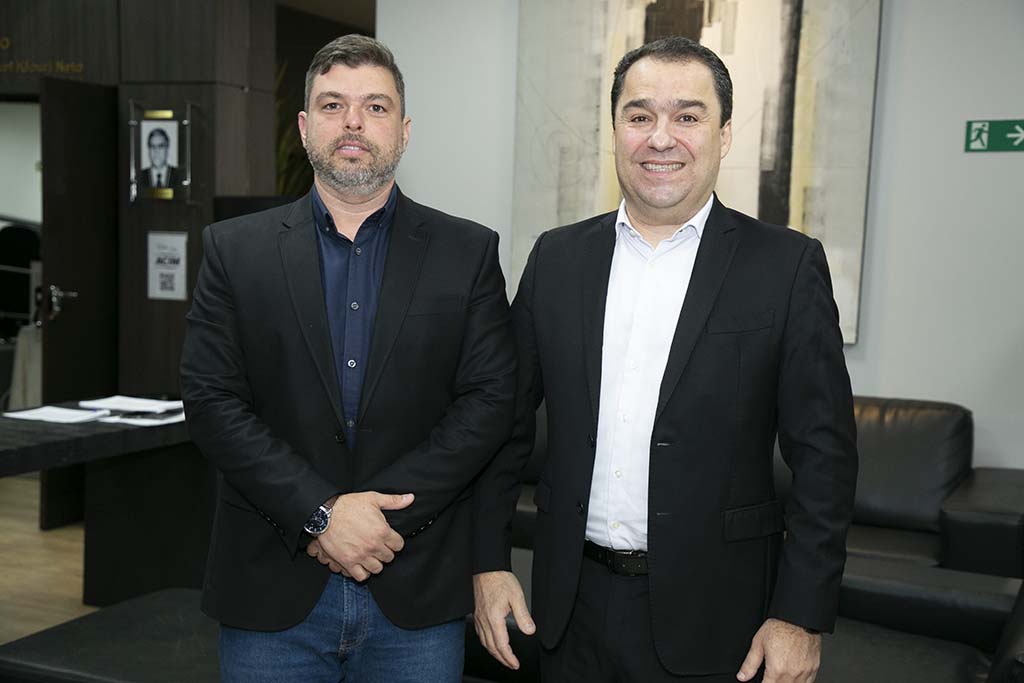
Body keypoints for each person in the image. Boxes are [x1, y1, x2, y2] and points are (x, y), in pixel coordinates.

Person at [472, 36, 858, 683]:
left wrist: (801, 615)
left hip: (719, 621)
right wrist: (488, 561)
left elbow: (826, 457)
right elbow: (502, 428)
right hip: (569, 610)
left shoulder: (786, 266)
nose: (660, 137)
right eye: (639, 115)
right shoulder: (557, 259)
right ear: (615, 129)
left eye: (688, 116)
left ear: (724, 134)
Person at [181, 34, 515, 682]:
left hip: (415, 591)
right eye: (333, 105)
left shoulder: (467, 252)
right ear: (305, 127)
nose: (354, 122)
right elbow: (211, 401)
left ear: (405, 131)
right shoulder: (234, 251)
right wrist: (321, 514)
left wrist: (378, 520)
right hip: (271, 592)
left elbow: (489, 402)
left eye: (375, 107)